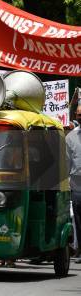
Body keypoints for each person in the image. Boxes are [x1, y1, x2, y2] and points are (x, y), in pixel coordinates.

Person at [67, 105, 81, 264]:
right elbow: (67, 162)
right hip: (77, 185)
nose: (79, 117)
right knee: (78, 219)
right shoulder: (70, 137)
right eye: (78, 114)